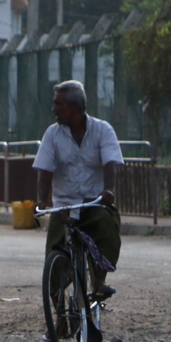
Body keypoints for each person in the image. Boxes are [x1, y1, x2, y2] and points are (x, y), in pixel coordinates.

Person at [33, 78, 124, 324]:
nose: (54, 109)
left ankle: (99, 280)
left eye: (58, 104)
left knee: (107, 228)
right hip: (64, 206)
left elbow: (111, 162)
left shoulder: (102, 130)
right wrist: (42, 201)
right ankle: (60, 314)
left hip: (93, 202)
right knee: (53, 258)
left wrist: (108, 190)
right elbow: (45, 170)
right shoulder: (52, 134)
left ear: (74, 107)